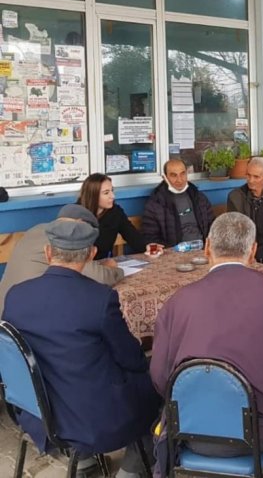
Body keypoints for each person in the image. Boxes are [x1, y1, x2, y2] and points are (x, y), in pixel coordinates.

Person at [2, 215, 160, 478]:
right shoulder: (99, 299)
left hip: (35, 412)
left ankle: (84, 461)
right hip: (91, 421)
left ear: (48, 252)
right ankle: (132, 469)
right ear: (91, 254)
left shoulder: (16, 295)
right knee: (156, 381)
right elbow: (131, 359)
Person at [151, 212, 263, 456]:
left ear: (207, 248)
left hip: (193, 431)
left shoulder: (178, 300)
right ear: (253, 251)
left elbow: (160, 377)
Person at [0, 204, 122, 315]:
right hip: (29, 315)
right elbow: (101, 277)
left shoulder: (37, 229)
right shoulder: (66, 239)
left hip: (8, 311)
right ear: (80, 224)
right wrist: (116, 270)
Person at [142, 159, 214, 247]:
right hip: (174, 251)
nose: (179, 180)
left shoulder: (198, 197)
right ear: (165, 178)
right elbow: (150, 237)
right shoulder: (156, 203)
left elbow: (213, 225)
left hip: (203, 248)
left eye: (182, 174)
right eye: (173, 175)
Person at [77, 173, 148, 258]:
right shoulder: (75, 214)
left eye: (112, 191)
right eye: (106, 193)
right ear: (93, 195)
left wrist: (148, 248)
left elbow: (134, 238)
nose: (113, 196)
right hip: (81, 264)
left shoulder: (115, 212)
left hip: (107, 262)